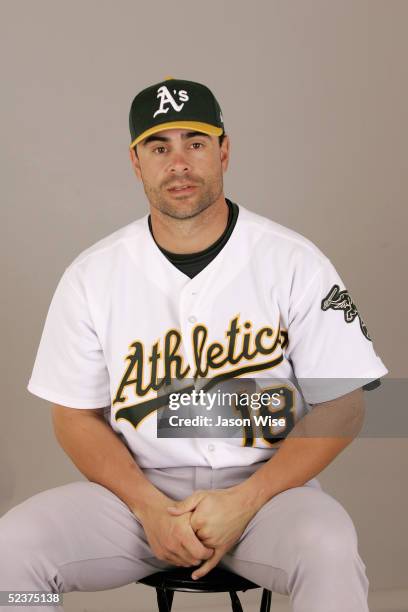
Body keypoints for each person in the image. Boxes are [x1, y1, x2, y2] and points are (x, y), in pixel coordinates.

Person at [0, 77, 388, 611]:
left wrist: (247, 499)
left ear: (224, 150)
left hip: (268, 498)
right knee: (11, 553)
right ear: (136, 162)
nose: (178, 163)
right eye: (159, 147)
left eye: (195, 143)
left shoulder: (293, 261)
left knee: (328, 547)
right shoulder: (93, 275)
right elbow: (73, 416)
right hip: (137, 500)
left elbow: (345, 403)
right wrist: (148, 508)